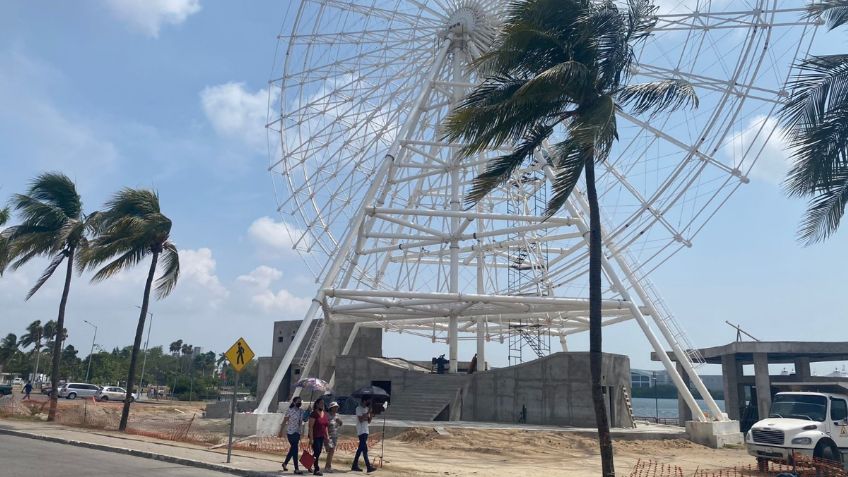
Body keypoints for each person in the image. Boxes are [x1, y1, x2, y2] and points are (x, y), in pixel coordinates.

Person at [280, 397, 305, 475]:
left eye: (300, 401)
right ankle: (296, 468)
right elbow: (284, 421)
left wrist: (301, 433)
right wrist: (280, 431)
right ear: (294, 402)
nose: (299, 403)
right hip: (290, 432)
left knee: (293, 450)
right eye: (298, 401)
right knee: (295, 449)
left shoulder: (301, 411)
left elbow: (301, 423)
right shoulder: (290, 410)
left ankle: (285, 463)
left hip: (297, 432)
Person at [352, 396, 376, 473]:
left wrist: (371, 415)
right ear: (363, 401)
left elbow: (368, 421)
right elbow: (361, 419)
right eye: (367, 401)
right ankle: (367, 466)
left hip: (366, 430)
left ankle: (356, 465)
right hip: (361, 431)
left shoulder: (366, 409)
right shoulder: (358, 408)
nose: (368, 403)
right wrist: (368, 412)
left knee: (363, 449)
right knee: (362, 449)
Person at [308, 398, 330, 476]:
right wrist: (311, 439)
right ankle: (316, 469)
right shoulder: (313, 414)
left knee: (318, 452)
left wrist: (327, 437)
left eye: (323, 403)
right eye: (320, 403)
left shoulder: (325, 414)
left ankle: (308, 463)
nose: (322, 405)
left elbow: (326, 426)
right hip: (315, 436)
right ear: (317, 404)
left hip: (322, 436)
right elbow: (310, 427)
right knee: (317, 452)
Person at [323, 401, 343, 473]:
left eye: (337, 407)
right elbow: (325, 425)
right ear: (331, 408)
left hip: (335, 436)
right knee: (329, 451)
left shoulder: (336, 416)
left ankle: (328, 466)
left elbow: (340, 424)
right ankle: (327, 466)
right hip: (328, 436)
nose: (336, 408)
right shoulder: (327, 415)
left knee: (331, 451)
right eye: (334, 407)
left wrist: (339, 421)